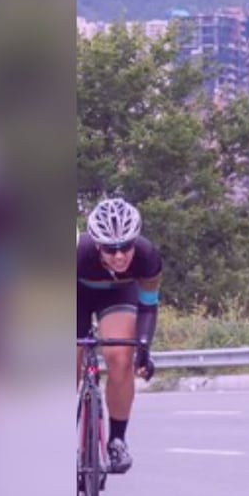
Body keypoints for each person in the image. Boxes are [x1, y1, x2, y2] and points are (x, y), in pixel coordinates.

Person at [76, 198, 160, 474]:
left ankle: (116, 441)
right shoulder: (78, 252)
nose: (120, 256)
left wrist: (144, 349)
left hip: (117, 295)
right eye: (111, 250)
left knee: (121, 356)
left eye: (126, 246)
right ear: (97, 245)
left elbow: (148, 306)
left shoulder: (148, 257)